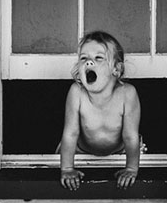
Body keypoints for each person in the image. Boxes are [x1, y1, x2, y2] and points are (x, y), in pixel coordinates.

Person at [59, 31, 141, 191]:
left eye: (98, 58)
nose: (89, 62)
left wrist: (131, 168)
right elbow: (70, 134)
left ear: (116, 69)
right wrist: (67, 169)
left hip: (120, 152)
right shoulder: (77, 92)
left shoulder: (127, 93)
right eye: (83, 58)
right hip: (81, 151)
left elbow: (130, 136)